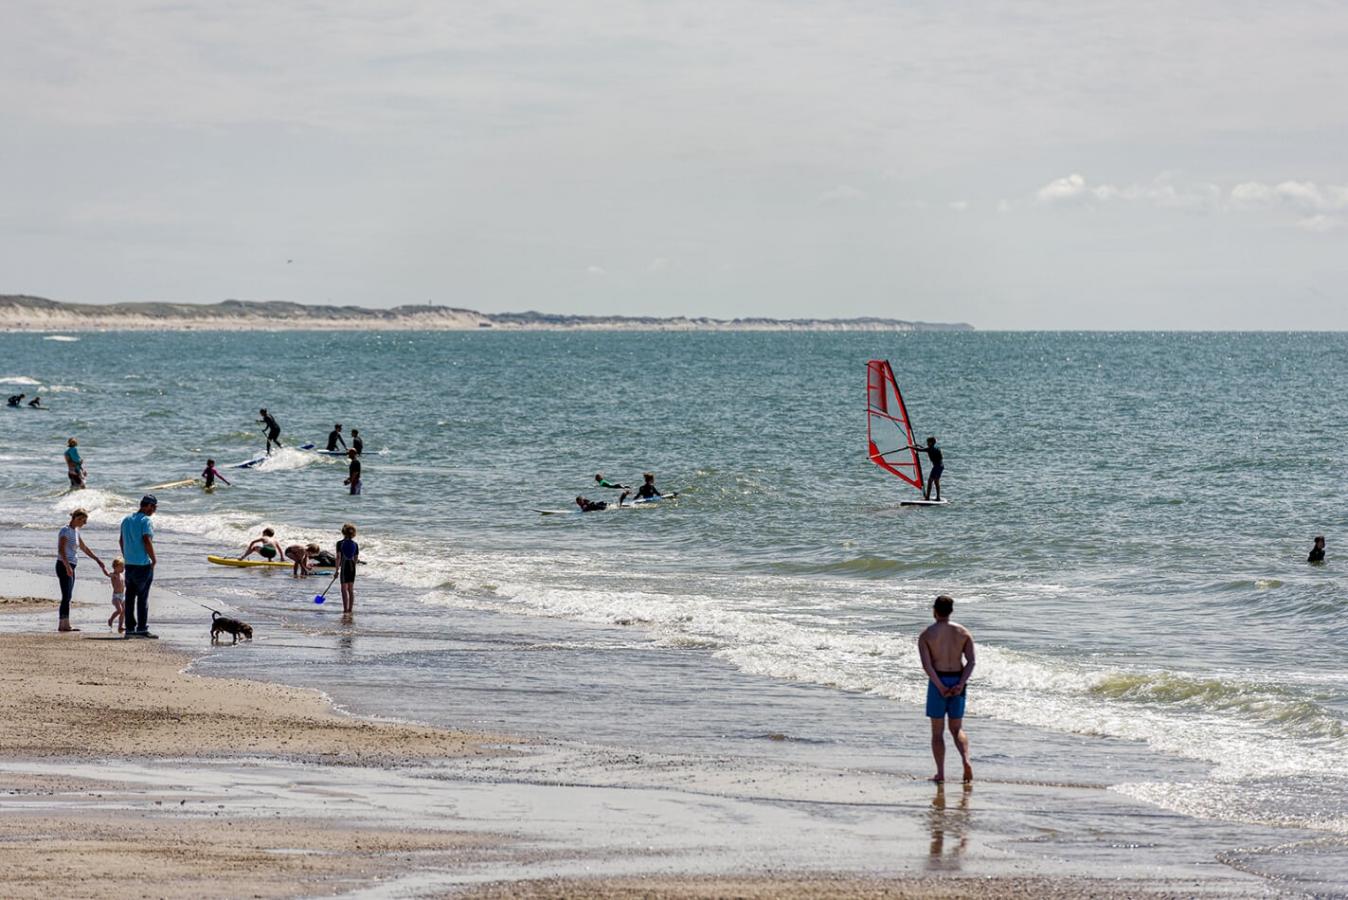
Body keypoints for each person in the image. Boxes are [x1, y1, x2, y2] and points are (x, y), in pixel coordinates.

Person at [918, 595, 975, 784]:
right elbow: (971, 662)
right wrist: (960, 683)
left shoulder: (926, 634)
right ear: (951, 611)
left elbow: (927, 666)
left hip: (938, 682)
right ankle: (966, 761)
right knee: (957, 728)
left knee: (937, 731)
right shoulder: (963, 632)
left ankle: (941, 773)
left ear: (934, 610)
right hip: (958, 679)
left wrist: (940, 686)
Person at [55, 508, 107, 632]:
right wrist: (67, 566)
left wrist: (97, 559)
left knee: (68, 595)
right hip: (63, 564)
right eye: (83, 521)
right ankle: (63, 624)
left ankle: (64, 624)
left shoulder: (76, 531)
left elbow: (84, 547)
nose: (84, 523)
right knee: (66, 596)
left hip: (71, 565)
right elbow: (61, 550)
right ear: (76, 519)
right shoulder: (65, 530)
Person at [118, 495, 158, 638]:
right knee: (142, 597)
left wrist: (127, 556)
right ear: (147, 506)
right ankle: (141, 628)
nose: (154, 510)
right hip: (142, 564)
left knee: (129, 598)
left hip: (130, 564)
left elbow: (121, 541)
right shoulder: (146, 521)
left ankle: (129, 628)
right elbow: (147, 540)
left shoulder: (126, 520)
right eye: (154, 507)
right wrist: (153, 559)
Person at [908, 437, 944, 501]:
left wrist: (910, 447)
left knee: (930, 481)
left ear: (931, 442)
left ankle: (927, 497)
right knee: (936, 482)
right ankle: (938, 497)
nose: (927, 443)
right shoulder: (935, 448)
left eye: (928, 442)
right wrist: (917, 445)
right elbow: (925, 449)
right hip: (941, 466)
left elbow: (920, 450)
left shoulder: (930, 449)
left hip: (937, 467)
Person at [337, 522, 359, 621]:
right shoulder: (355, 544)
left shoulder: (340, 543)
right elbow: (355, 559)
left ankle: (345, 609)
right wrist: (353, 569)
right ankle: (350, 609)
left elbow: (338, 557)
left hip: (345, 567)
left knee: (343, 589)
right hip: (352, 568)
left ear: (343, 532)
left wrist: (336, 570)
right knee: (350, 589)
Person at [107, 557, 126, 633]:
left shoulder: (122, 575)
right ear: (116, 567)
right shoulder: (114, 575)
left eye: (123, 567)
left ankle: (120, 626)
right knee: (119, 610)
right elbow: (108, 574)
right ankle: (111, 619)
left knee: (124, 611)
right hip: (116, 597)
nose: (123, 568)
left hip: (122, 595)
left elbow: (123, 583)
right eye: (121, 567)